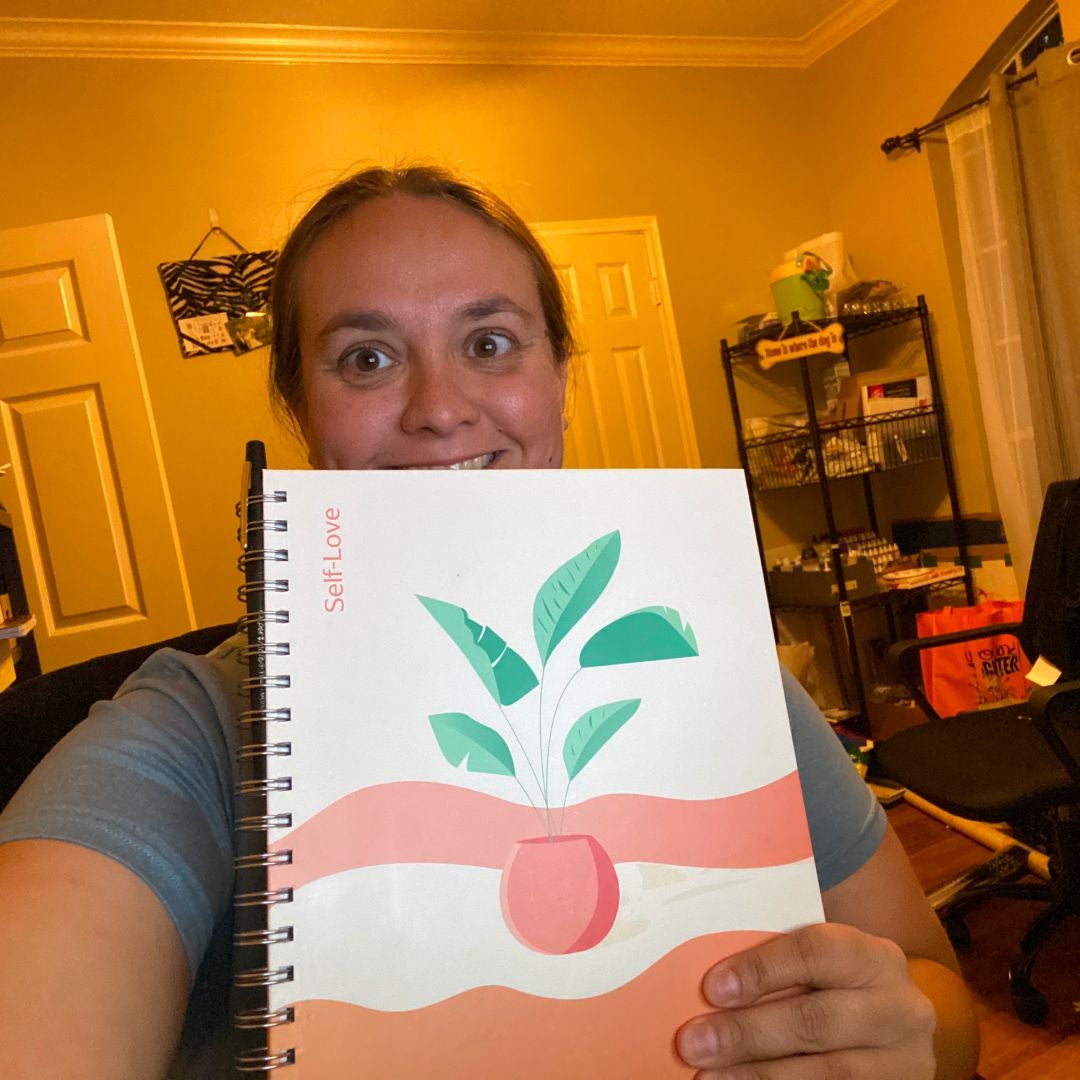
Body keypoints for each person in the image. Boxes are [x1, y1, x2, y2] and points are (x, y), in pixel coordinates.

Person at [0, 165, 978, 1079]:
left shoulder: (705, 662)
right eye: (367, 357)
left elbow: (939, 997)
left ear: (560, 377)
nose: (440, 409)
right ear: (301, 409)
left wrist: (904, 1040)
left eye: (489, 343)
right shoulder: (198, 727)